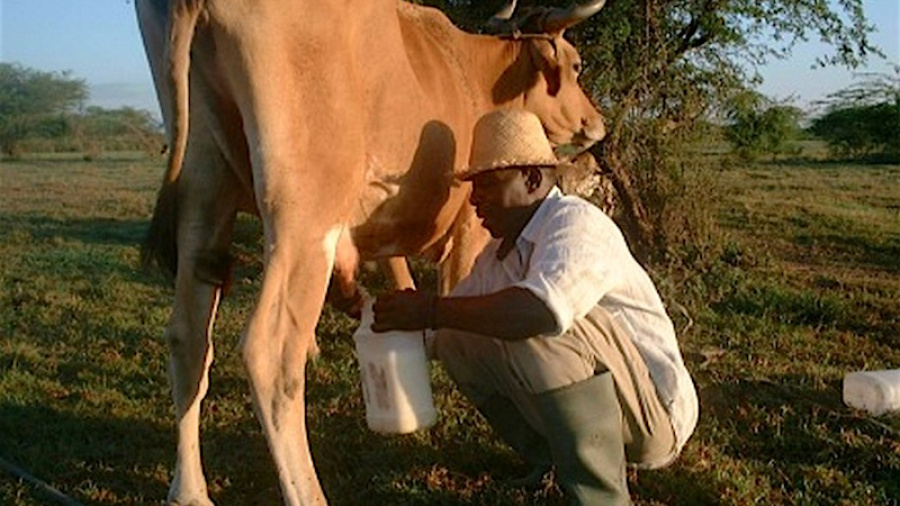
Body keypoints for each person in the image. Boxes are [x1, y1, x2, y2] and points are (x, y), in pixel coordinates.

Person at [372, 109, 698, 505]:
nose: (475, 201)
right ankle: (551, 461)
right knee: (457, 335)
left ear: (531, 179)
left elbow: (540, 312)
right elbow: (437, 329)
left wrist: (433, 310)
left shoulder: (576, 224)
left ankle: (602, 497)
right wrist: (377, 314)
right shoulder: (497, 257)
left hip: (653, 418)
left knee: (539, 321)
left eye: (487, 185)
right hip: (609, 412)